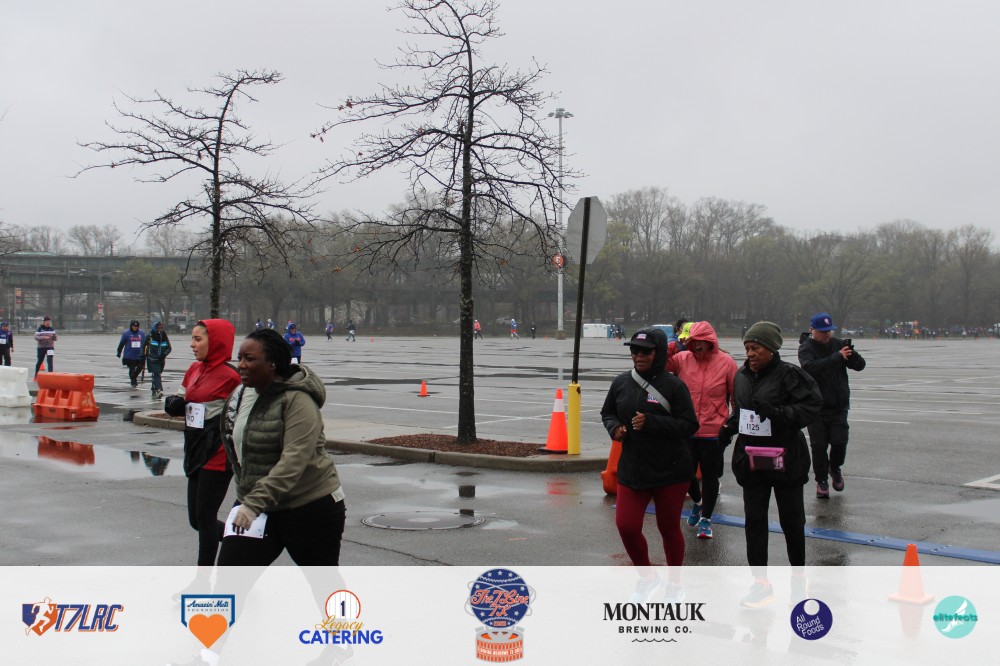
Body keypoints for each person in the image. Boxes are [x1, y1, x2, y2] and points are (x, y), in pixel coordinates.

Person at [217, 328, 346, 565]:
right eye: (239, 358)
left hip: (308, 507)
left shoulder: (298, 400)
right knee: (230, 578)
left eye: (250, 359)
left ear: (273, 363)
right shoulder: (241, 394)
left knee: (323, 583)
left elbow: (294, 460)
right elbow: (235, 442)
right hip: (256, 504)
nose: (241, 365)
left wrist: (253, 503)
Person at [721, 321, 821, 608]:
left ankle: (798, 579)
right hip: (752, 460)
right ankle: (760, 583)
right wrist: (728, 428)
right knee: (754, 521)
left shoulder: (791, 375)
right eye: (747, 348)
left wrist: (777, 413)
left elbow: (812, 407)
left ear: (772, 349)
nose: (750, 353)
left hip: (786, 458)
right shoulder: (741, 376)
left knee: (792, 521)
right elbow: (741, 411)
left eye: (756, 348)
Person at [601, 328, 699, 600]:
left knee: (669, 528)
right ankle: (648, 577)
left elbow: (689, 425)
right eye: (634, 350)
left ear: (659, 353)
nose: (639, 356)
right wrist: (614, 427)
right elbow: (607, 412)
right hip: (633, 469)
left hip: (671, 470)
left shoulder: (674, 386)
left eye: (645, 351)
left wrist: (653, 422)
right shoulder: (621, 382)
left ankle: (675, 584)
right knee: (627, 526)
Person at [163, 319, 242, 566]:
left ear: (215, 342)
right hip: (194, 447)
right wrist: (173, 404)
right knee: (196, 521)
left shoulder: (232, 377)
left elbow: (245, 415)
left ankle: (203, 580)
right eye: (192, 338)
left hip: (218, 452)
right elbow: (182, 397)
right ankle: (243, 545)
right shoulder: (194, 369)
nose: (192, 344)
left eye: (198, 339)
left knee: (205, 517)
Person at [667, 320, 737, 540]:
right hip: (686, 428)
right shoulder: (681, 359)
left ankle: (706, 518)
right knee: (684, 472)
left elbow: (736, 396)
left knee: (710, 475)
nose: (697, 345)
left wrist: (731, 425)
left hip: (714, 430)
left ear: (711, 342)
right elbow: (659, 364)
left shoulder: (726, 362)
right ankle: (698, 502)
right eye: (693, 340)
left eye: (702, 341)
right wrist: (676, 344)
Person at [798, 312, 867, 498]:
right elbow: (810, 368)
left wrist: (852, 355)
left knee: (839, 442)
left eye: (829, 331)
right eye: (823, 331)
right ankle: (821, 481)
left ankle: (835, 467)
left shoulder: (838, 345)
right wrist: (837, 357)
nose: (827, 334)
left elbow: (860, 365)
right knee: (818, 446)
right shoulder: (806, 348)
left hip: (838, 405)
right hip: (816, 407)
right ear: (812, 330)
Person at [142, 320, 172, 400]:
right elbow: (143, 346)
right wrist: (142, 356)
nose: (160, 329)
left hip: (161, 360)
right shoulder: (150, 336)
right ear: (155, 328)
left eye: (161, 328)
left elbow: (169, 348)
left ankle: (153, 389)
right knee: (157, 374)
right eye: (158, 328)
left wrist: (164, 354)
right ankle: (158, 390)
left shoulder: (164, 335)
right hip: (152, 359)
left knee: (156, 375)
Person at [116, 320, 147, 388]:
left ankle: (133, 378)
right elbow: (121, 343)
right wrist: (119, 352)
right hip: (130, 355)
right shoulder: (126, 334)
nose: (135, 327)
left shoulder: (141, 333)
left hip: (139, 355)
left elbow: (145, 343)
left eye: (136, 326)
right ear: (131, 326)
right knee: (132, 369)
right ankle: (133, 382)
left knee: (140, 367)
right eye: (134, 326)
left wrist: (146, 352)